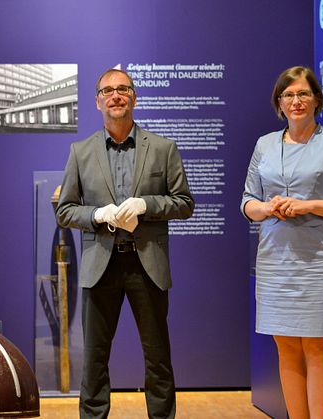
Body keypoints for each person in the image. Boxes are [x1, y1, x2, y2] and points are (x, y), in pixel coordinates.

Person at [56, 68, 194, 419]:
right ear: (97, 100)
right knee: (95, 360)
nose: (115, 96)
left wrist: (147, 205)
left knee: (158, 357)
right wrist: (98, 214)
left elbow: (184, 203)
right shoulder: (80, 151)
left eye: (123, 89)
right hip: (101, 266)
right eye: (108, 91)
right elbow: (66, 211)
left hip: (146, 265)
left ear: (134, 97)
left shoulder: (163, 148)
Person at [240, 66, 323, 419]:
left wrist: (308, 205)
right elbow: (247, 201)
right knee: (286, 349)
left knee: (317, 348)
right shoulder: (264, 144)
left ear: (317, 100)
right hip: (275, 260)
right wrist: (266, 207)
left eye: (303, 94)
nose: (296, 101)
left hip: (319, 261)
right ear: (279, 103)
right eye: (289, 95)